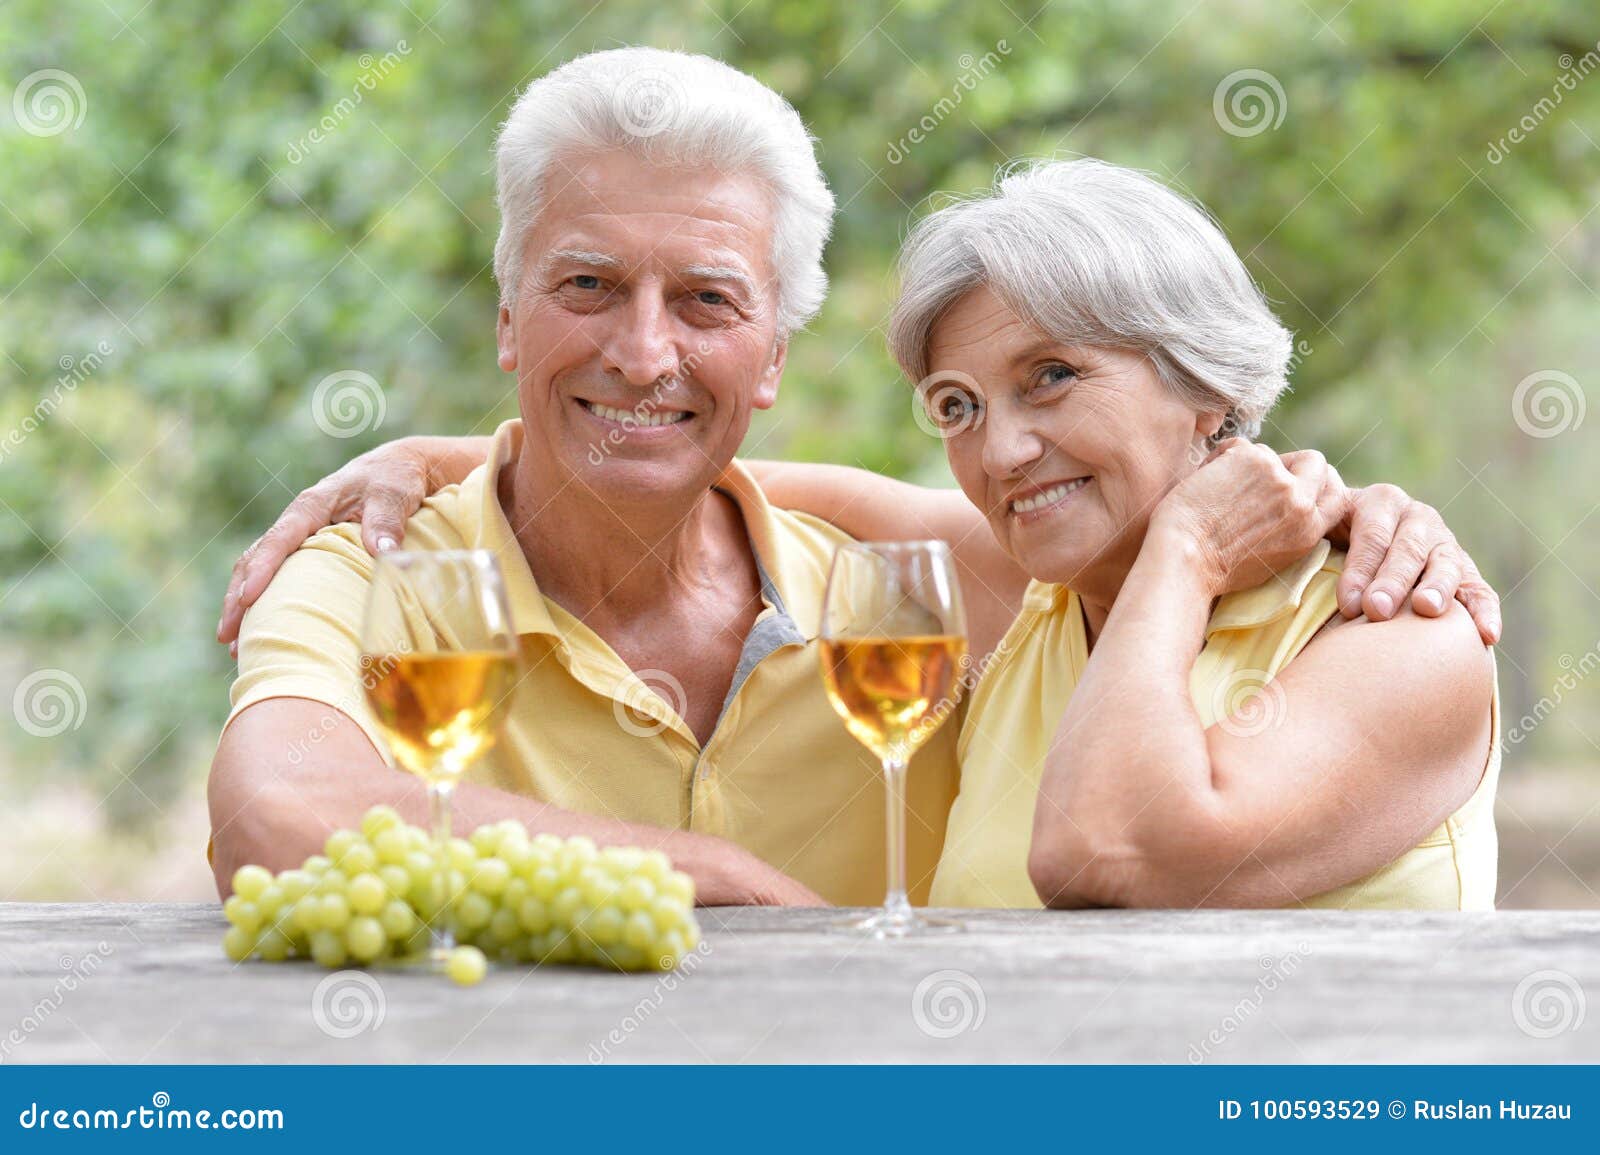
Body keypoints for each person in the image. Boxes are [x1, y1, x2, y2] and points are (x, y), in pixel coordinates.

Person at [212, 53, 1499, 909]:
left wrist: (1191, 551)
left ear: (1208, 387)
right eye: (959, 407)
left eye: (1054, 376)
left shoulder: (1390, 629)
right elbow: (277, 811)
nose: (1001, 452)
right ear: (508, 320)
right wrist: (448, 458)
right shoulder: (1006, 594)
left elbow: (1109, 849)